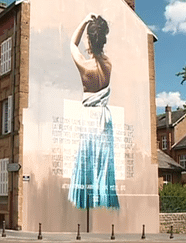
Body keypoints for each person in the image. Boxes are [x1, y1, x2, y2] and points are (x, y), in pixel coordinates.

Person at [68, 13, 119, 210]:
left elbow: (72, 43)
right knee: (104, 162)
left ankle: (85, 200)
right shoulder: (108, 65)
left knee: (87, 158)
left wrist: (83, 21)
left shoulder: (85, 66)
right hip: (104, 118)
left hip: (89, 117)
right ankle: (103, 199)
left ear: (89, 39)